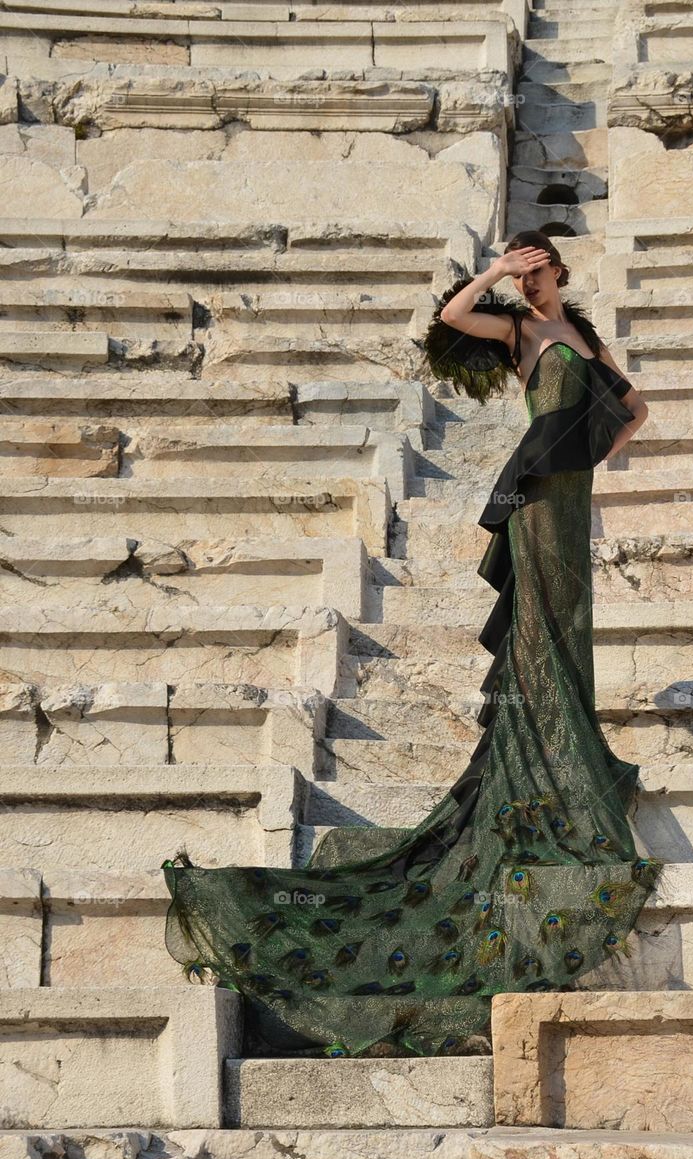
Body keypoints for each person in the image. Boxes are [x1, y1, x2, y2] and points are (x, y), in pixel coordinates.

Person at [161, 229, 665, 1059]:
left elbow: (635, 411)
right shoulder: (517, 330)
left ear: (561, 269)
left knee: (570, 625)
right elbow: (451, 314)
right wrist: (496, 274)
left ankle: (565, 740)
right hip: (535, 497)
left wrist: (588, 457)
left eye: (537, 264)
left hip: (568, 492)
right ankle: (545, 754)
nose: (530, 275)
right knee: (540, 625)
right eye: (521, 265)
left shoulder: (582, 332)